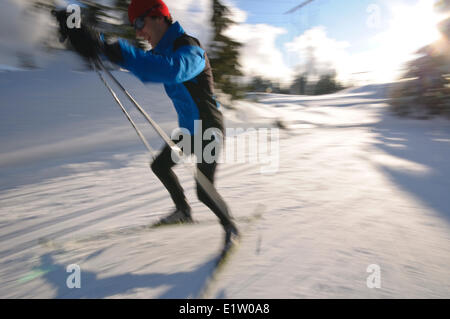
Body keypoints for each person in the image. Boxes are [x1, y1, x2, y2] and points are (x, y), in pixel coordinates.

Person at [54, 0, 239, 247]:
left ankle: (231, 227)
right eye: (134, 26)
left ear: (159, 16)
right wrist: (87, 37)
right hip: (189, 131)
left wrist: (114, 51)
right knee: (160, 166)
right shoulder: (161, 53)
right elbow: (136, 58)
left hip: (208, 129)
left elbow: (173, 70)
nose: (139, 31)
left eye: (140, 22)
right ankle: (183, 212)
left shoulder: (189, 48)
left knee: (204, 190)